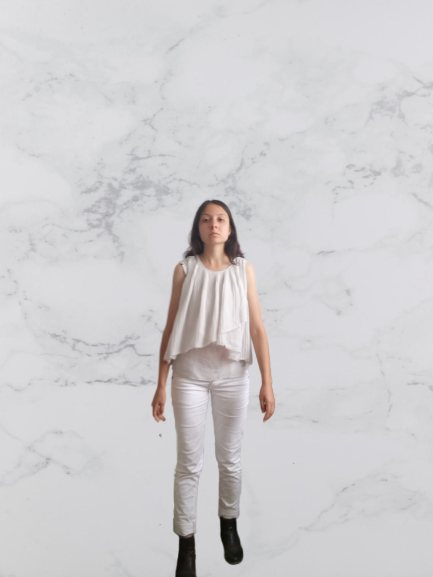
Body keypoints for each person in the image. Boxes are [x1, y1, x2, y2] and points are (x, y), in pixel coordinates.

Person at [151, 200, 275, 577]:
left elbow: (257, 328)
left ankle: (228, 524)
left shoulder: (244, 271)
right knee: (188, 463)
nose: (214, 225)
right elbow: (171, 327)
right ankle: (186, 542)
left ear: (230, 228)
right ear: (198, 229)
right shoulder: (184, 270)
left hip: (233, 377)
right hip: (188, 376)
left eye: (220, 219)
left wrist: (268, 382)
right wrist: (161, 383)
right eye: (206, 220)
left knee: (230, 459)